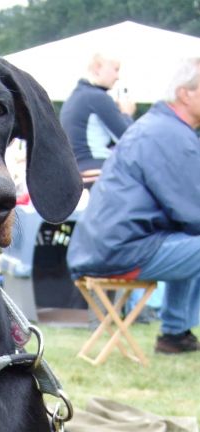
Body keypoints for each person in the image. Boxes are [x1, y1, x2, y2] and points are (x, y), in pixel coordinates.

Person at [67, 57, 200, 354]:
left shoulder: (159, 127)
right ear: (184, 93)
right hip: (121, 251)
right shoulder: (169, 134)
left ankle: (176, 334)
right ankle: (175, 331)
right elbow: (193, 211)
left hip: (104, 248)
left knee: (190, 240)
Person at [60, 51, 136, 178]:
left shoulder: (73, 98)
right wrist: (126, 114)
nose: (117, 77)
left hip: (75, 170)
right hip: (96, 168)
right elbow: (129, 139)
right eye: (116, 69)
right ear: (97, 68)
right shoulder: (98, 97)